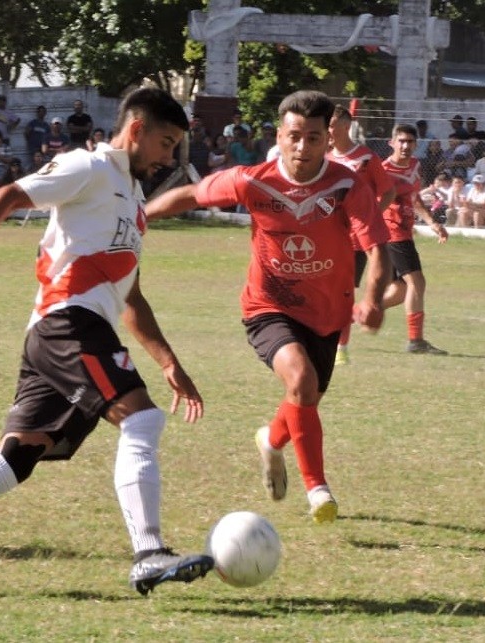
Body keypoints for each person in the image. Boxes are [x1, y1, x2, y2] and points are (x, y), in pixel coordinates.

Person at [0, 87, 210, 597]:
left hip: (64, 332)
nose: (169, 158)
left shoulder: (134, 199)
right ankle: (149, 552)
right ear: (136, 130)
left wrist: (168, 361)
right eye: (166, 143)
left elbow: (130, 294)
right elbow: (6, 195)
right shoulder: (89, 168)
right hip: (67, 324)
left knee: (17, 457)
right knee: (142, 418)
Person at [145, 90, 391, 524]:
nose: (302, 147)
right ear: (280, 134)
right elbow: (192, 195)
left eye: (313, 138)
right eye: (294, 136)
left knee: (305, 394)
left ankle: (271, 440)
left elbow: (377, 249)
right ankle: (318, 488)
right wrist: (138, 218)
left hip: (327, 313)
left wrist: (373, 298)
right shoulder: (251, 180)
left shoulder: (346, 185)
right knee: (301, 378)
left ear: (327, 140)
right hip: (267, 307)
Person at [326, 104, 396, 365]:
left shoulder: (366, 158)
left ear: (346, 126)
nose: (328, 130)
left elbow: (388, 191)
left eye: (331, 124)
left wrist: (370, 216)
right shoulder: (325, 158)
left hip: (356, 242)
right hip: (327, 237)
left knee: (343, 293)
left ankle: (340, 348)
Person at [381, 123, 450, 355]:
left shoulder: (414, 166)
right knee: (417, 283)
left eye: (409, 142)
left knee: (399, 291)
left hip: (402, 234)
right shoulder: (383, 170)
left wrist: (432, 223)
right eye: (400, 141)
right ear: (392, 143)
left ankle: (357, 314)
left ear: (415, 145)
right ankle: (416, 341)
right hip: (392, 234)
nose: (405, 145)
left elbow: (415, 197)